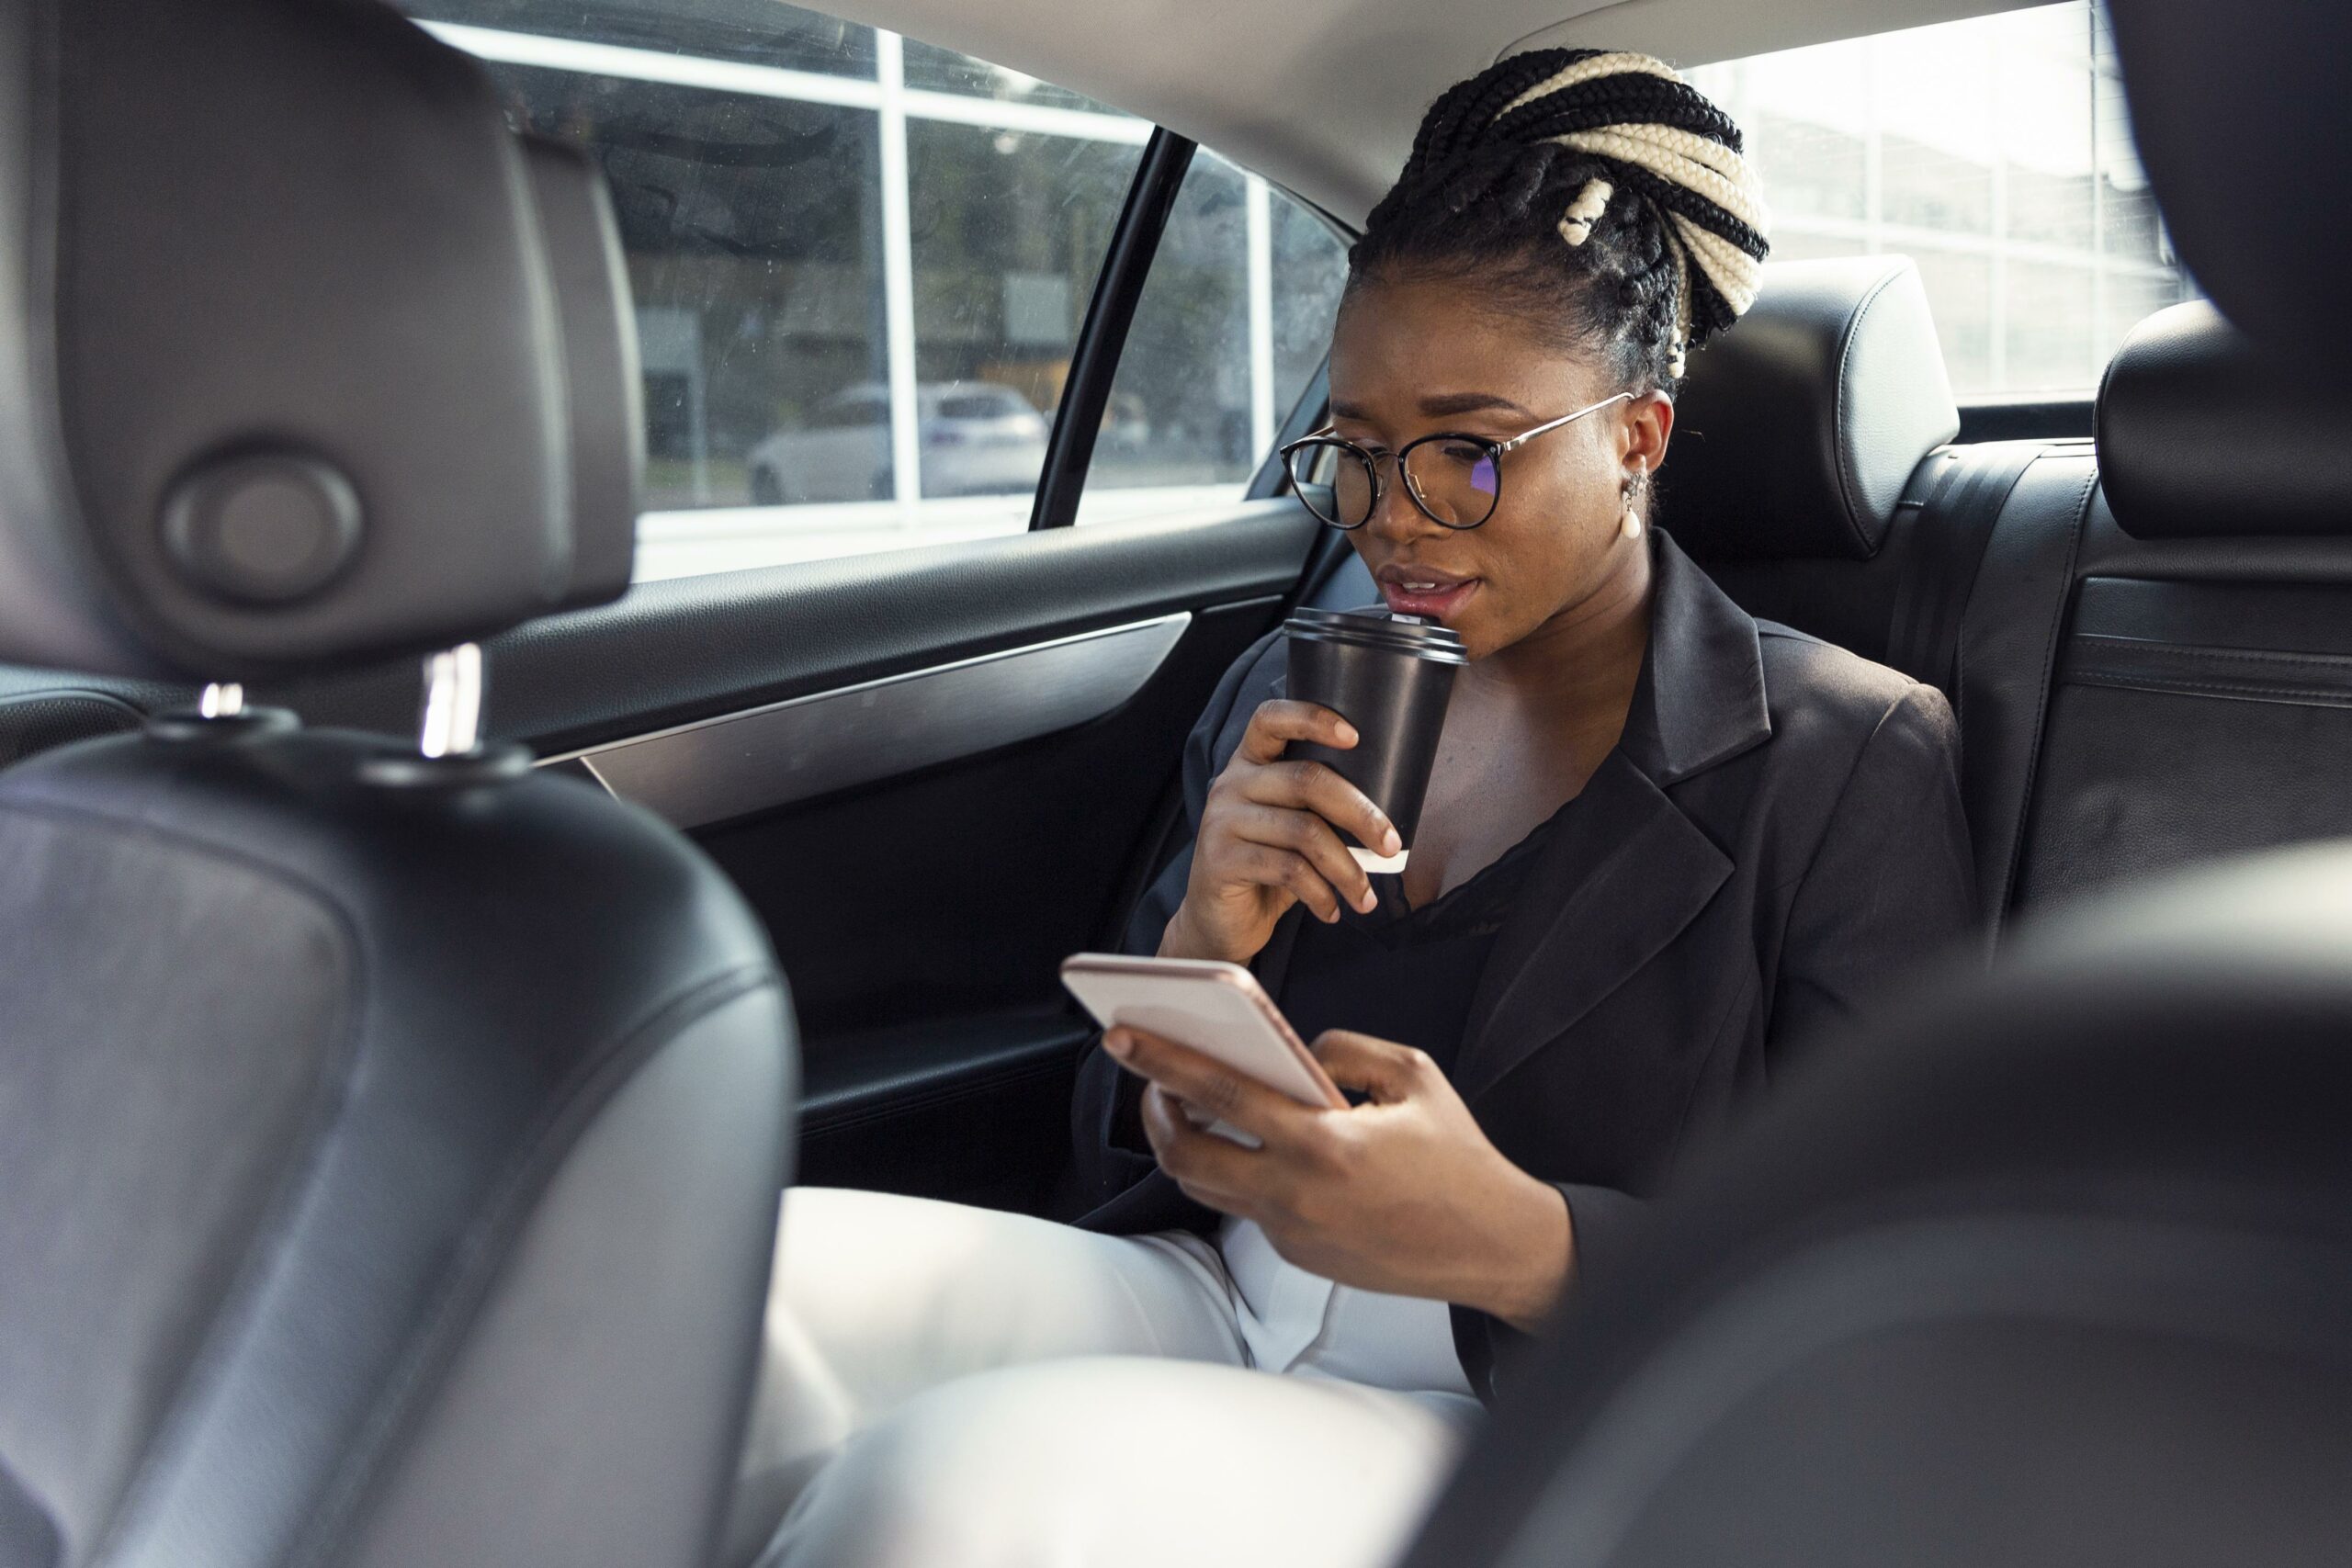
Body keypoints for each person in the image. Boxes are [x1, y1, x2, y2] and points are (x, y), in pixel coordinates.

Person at [735, 47, 1973, 1568]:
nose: (1392, 516)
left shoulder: (1849, 759)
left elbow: (1892, 1288)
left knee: (946, 1495)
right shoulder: (1292, 681)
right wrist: (1203, 951)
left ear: (1636, 440)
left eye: (1465, 451)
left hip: (1531, 1407)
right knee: (732, 1298)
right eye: (1360, 450)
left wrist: (1518, 1243)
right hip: (1212, 1291)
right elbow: (1113, 1147)